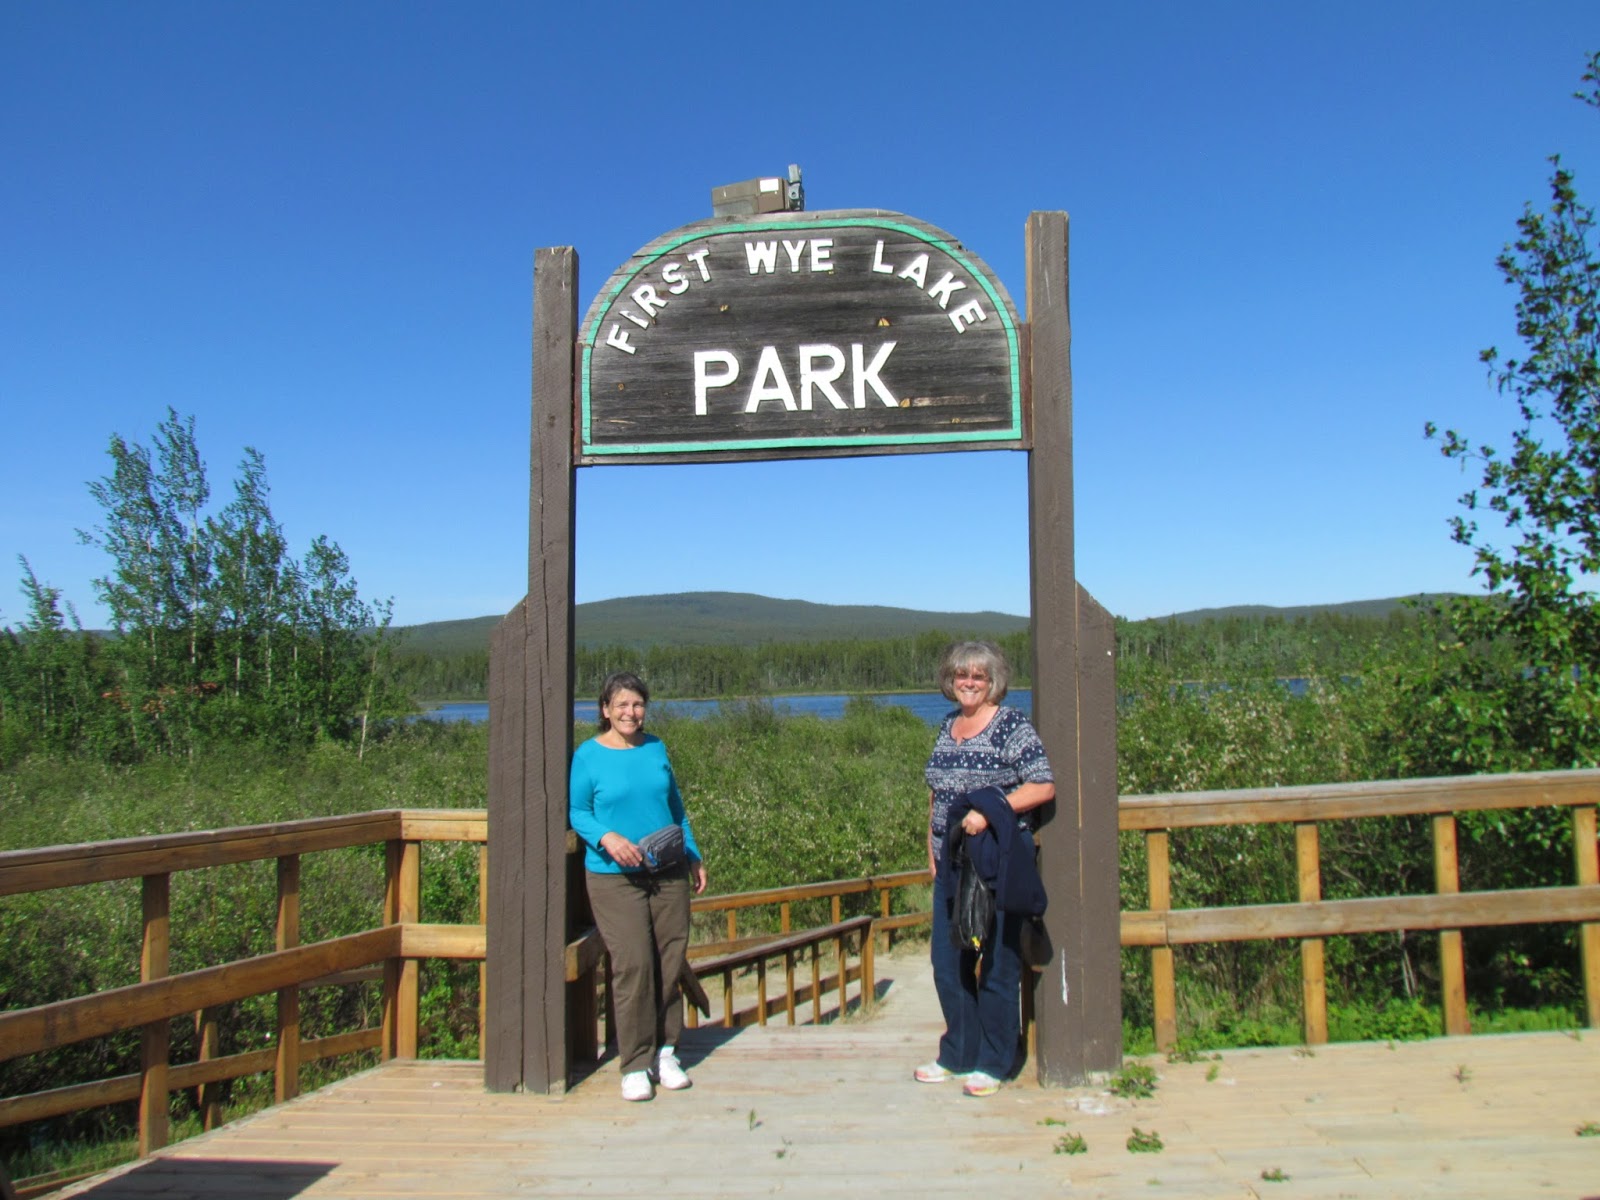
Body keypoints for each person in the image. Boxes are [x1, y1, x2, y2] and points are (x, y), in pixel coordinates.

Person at [917, 641, 1054, 1098]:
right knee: (947, 961)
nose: (969, 682)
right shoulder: (947, 726)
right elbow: (936, 791)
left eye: (978, 675)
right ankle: (958, 1053)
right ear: (950, 681)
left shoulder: (1010, 725)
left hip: (994, 865)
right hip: (951, 865)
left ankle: (996, 1060)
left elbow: (1042, 785)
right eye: (961, 675)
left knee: (996, 963)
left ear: (993, 681)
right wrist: (930, 845)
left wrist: (990, 811)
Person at [569, 671, 709, 1102]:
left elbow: (675, 808)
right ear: (605, 710)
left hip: (667, 871)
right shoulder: (588, 756)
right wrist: (607, 837)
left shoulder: (656, 748)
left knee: (670, 959)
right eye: (622, 705)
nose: (631, 712)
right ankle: (634, 1063)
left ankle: (666, 1052)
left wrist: (692, 851)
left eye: (638, 704)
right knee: (632, 965)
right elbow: (577, 810)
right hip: (615, 878)